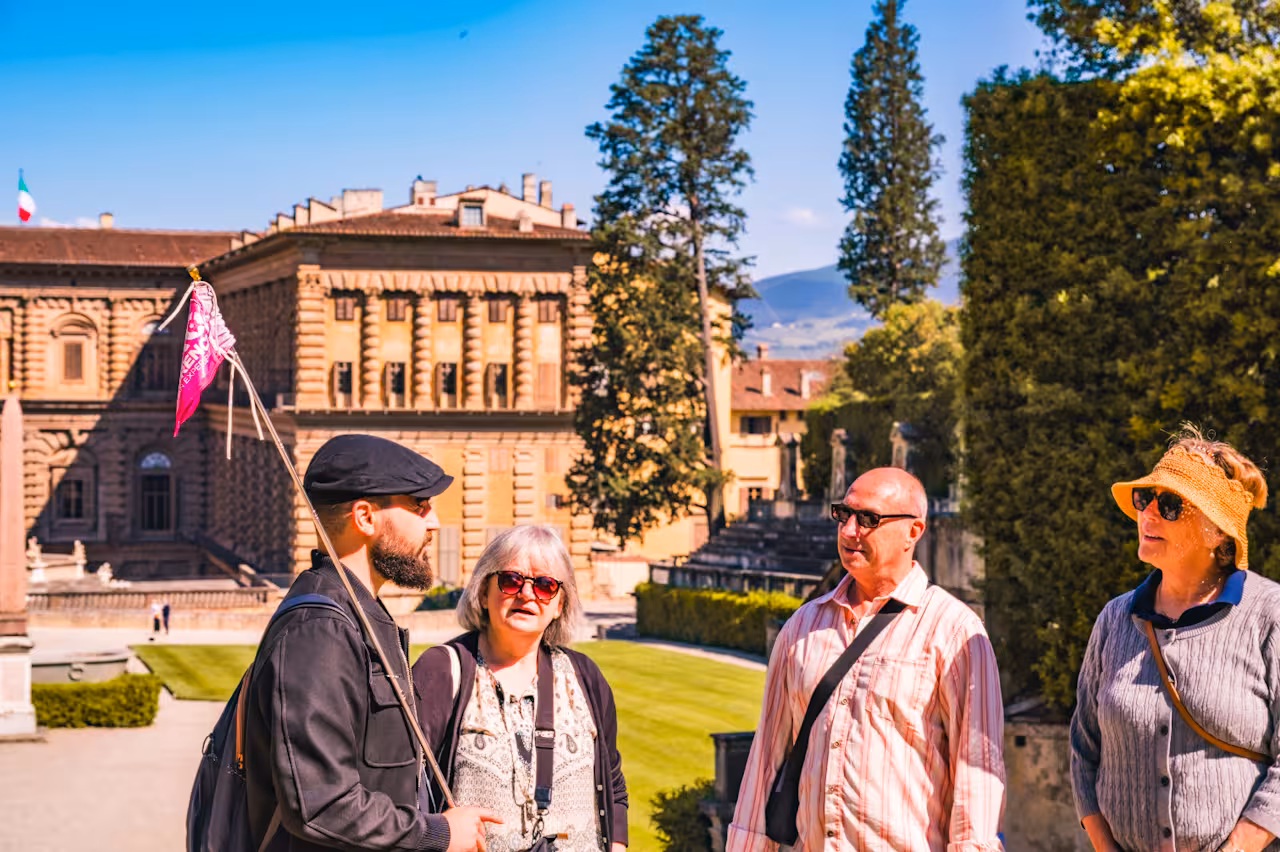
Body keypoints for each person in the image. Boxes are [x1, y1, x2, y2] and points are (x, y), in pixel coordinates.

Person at [243, 434, 499, 852]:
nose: (433, 522)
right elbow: (320, 804)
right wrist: (436, 833)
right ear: (365, 517)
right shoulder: (320, 631)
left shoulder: (361, 614)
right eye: (420, 506)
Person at [727, 467, 1005, 852]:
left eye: (869, 519)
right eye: (844, 515)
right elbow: (765, 764)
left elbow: (977, 780)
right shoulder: (802, 627)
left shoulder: (955, 632)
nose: (849, 531)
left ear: (914, 532)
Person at [1071, 427, 1280, 852]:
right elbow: (1082, 750)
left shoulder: (1268, 615)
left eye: (1169, 504)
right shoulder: (1115, 618)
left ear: (1218, 532)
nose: (1147, 514)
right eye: (1144, 499)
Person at [412, 525, 628, 852]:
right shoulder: (442, 671)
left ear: (559, 604)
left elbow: (613, 787)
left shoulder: (586, 676)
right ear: (483, 592)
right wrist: (439, 835)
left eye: (545, 585)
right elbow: (401, 790)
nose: (527, 594)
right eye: (511, 580)